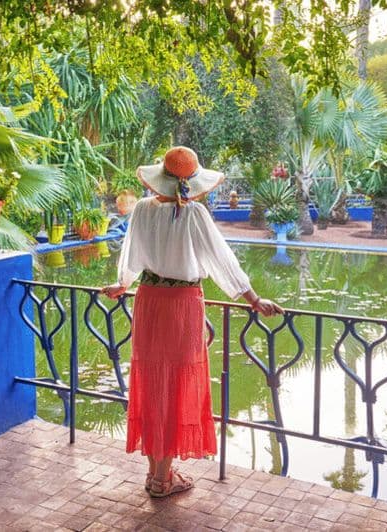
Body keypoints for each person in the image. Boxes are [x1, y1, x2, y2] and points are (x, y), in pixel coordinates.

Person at [101, 146, 283, 498]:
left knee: (153, 381)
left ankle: (157, 471)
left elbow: (131, 256)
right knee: (177, 384)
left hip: (149, 302)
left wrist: (122, 284)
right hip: (182, 306)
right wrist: (254, 300)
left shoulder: (141, 209)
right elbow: (222, 261)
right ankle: (162, 479)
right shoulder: (195, 214)